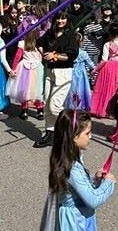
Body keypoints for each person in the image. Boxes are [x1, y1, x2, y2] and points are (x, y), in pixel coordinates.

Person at [34, 13, 79, 148]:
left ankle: (69, 131)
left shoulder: (70, 35)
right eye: (58, 18)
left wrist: (56, 56)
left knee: (55, 106)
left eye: (63, 18)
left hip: (63, 73)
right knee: (47, 103)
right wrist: (44, 54)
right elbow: (39, 43)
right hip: (50, 72)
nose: (60, 21)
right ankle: (50, 132)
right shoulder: (50, 33)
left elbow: (71, 55)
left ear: (67, 20)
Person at [6, 28, 45, 120]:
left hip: (24, 68)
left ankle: (24, 111)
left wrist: (14, 69)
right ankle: (40, 110)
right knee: (37, 90)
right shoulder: (39, 44)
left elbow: (17, 57)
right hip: (37, 68)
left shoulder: (22, 43)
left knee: (24, 90)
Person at [90, 23, 118, 118]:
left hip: (108, 67)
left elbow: (104, 60)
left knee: (104, 88)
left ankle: (101, 108)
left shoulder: (107, 44)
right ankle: (112, 111)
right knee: (114, 88)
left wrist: (95, 69)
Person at [64, 33, 93, 112]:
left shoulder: (68, 52)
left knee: (71, 88)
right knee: (80, 89)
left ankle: (70, 104)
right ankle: (80, 105)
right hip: (81, 74)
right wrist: (92, 70)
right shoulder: (83, 53)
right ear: (80, 42)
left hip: (70, 72)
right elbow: (90, 64)